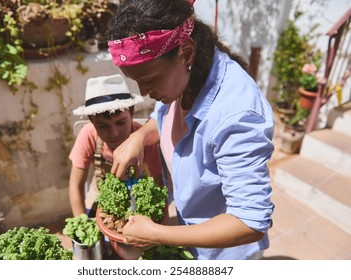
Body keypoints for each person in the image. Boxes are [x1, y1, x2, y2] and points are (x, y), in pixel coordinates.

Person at [106, 0, 275, 260]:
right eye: (137, 82)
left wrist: (157, 235)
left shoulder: (237, 114)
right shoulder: (186, 75)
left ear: (185, 52)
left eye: (148, 81)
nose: (144, 93)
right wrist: (140, 137)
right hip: (194, 240)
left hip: (226, 256)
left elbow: (249, 222)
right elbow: (164, 118)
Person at [68, 74, 163, 217]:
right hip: (100, 194)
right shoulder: (88, 135)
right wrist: (82, 224)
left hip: (136, 195)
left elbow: (158, 180)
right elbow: (75, 186)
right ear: (92, 121)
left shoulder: (145, 139)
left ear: (131, 112)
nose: (113, 133)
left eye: (120, 122)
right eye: (102, 126)